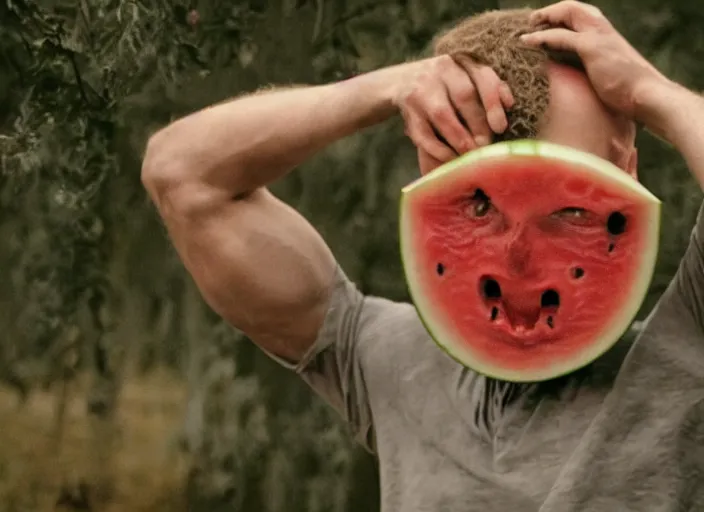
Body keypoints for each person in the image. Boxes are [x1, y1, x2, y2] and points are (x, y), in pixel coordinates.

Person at [141, 1, 704, 510]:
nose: (520, 258)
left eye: (572, 208)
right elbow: (183, 176)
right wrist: (390, 88)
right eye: (480, 205)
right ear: (429, 184)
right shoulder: (389, 362)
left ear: (629, 178)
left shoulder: (687, 351)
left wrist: (650, 92)